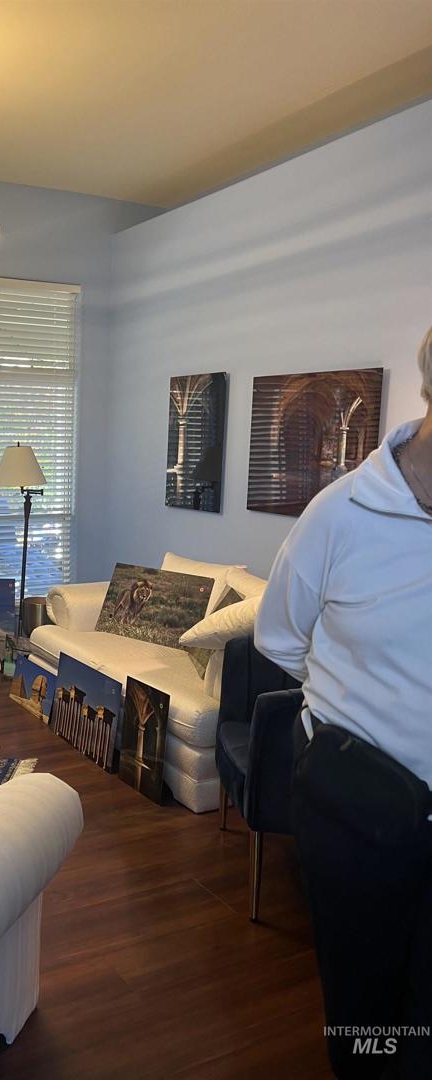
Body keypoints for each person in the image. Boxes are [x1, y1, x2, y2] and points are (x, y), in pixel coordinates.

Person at [255, 326, 432, 1079]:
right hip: (358, 803)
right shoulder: (342, 514)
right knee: (366, 1011)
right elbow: (279, 636)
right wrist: (359, 695)